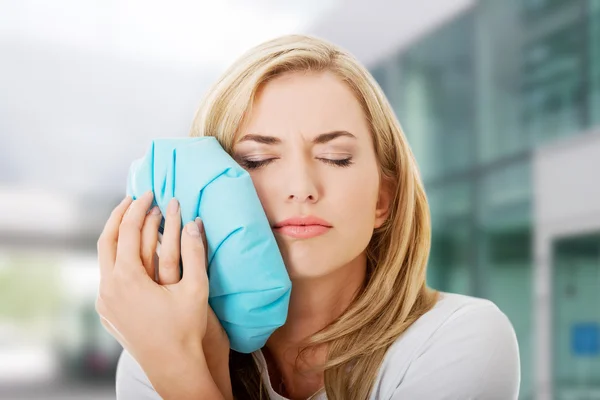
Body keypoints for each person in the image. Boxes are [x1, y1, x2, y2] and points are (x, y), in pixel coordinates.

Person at [96, 34, 521, 400]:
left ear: (382, 201)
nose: (302, 186)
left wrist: (178, 370)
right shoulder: (149, 349)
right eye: (258, 159)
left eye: (335, 158)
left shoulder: (460, 339)